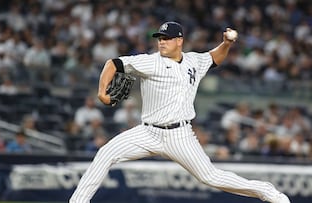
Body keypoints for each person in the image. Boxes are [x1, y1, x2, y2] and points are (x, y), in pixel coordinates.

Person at [69, 22, 290, 203]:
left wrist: (226, 43)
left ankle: (266, 192)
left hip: (180, 135)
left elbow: (214, 58)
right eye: (160, 38)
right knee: (105, 153)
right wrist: (101, 92)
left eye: (166, 38)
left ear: (179, 41)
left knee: (210, 177)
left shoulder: (194, 60)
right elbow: (113, 63)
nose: (161, 42)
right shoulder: (150, 62)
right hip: (148, 133)